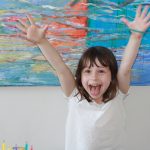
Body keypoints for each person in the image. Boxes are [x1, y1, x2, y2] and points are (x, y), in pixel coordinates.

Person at [16, 5, 150, 150]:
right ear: (79, 75)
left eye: (101, 71)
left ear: (112, 75)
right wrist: (41, 41)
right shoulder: (74, 94)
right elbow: (60, 68)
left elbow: (125, 69)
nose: (94, 77)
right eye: (87, 71)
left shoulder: (118, 94)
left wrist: (136, 36)